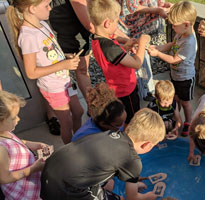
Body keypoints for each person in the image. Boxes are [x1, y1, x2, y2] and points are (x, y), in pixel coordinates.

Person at [40, 108, 165, 200]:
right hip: (64, 190)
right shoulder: (132, 160)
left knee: (110, 186)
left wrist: (134, 183)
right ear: (147, 145)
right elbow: (132, 198)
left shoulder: (111, 133)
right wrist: (147, 196)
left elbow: (106, 161)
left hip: (51, 169)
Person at [6, 0, 84, 144]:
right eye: (46, 5)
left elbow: (49, 54)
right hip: (54, 88)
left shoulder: (43, 24)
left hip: (65, 81)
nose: (50, 8)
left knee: (78, 112)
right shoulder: (28, 36)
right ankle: (73, 148)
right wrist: (63, 65)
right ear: (32, 9)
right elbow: (31, 72)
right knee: (66, 122)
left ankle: (79, 140)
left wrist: (65, 58)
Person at [88, 0, 150, 125]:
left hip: (115, 87)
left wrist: (126, 46)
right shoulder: (110, 48)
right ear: (107, 23)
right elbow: (137, 63)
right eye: (117, 21)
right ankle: (129, 139)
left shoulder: (97, 40)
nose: (117, 25)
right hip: (126, 90)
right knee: (131, 120)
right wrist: (143, 42)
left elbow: (112, 60)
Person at [148, 1, 197, 136]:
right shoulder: (181, 33)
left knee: (185, 102)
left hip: (185, 78)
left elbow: (174, 59)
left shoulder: (189, 42)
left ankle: (188, 122)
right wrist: (158, 48)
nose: (172, 27)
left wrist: (158, 54)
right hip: (176, 75)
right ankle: (176, 117)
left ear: (186, 24)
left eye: (174, 25)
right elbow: (172, 44)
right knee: (175, 99)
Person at [118, 0, 172, 101]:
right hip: (127, 26)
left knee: (141, 56)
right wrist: (157, 10)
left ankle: (147, 90)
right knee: (135, 58)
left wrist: (163, 5)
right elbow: (132, 6)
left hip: (139, 26)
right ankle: (141, 91)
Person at [0, 90, 48, 199]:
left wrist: (35, 145)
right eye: (13, 118)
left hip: (29, 180)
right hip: (22, 192)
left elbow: (16, 141)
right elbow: (5, 178)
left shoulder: (5, 132)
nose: (18, 119)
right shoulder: (0, 149)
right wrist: (33, 169)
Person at [50, 0, 93, 100]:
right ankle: (59, 109)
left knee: (82, 69)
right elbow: (90, 26)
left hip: (77, 30)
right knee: (62, 74)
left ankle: (91, 106)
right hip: (59, 30)